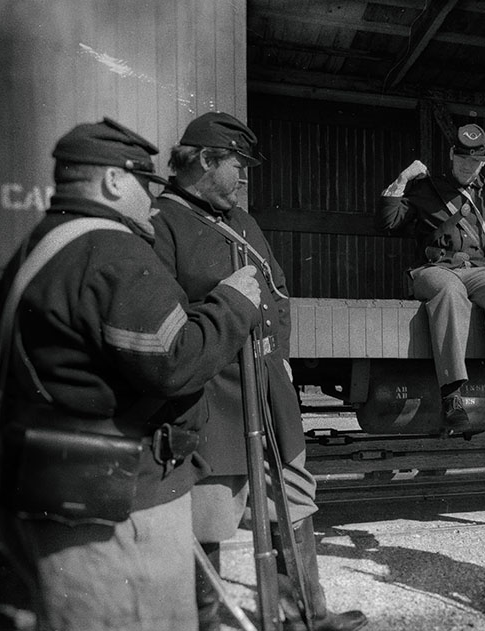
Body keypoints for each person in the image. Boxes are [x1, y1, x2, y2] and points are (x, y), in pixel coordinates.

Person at [0, 118, 263, 630]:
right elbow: (175, 361)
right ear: (115, 181)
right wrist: (234, 302)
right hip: (120, 500)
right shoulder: (112, 251)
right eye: (145, 185)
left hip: (57, 483)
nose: (150, 202)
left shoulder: (41, 244)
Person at [151, 111, 367, 631]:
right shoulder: (164, 223)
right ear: (205, 160)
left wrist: (282, 358)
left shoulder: (242, 221)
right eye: (238, 166)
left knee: (293, 500)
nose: (245, 179)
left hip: (268, 390)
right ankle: (204, 622)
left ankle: (306, 615)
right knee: (207, 512)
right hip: (213, 397)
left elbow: (279, 291)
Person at [377, 123, 485, 433]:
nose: (467, 168)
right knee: (449, 288)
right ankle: (452, 396)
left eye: (474, 163)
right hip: (434, 270)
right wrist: (405, 177)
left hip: (478, 269)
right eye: (461, 161)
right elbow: (387, 221)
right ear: (451, 154)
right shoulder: (426, 189)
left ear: (484, 162)